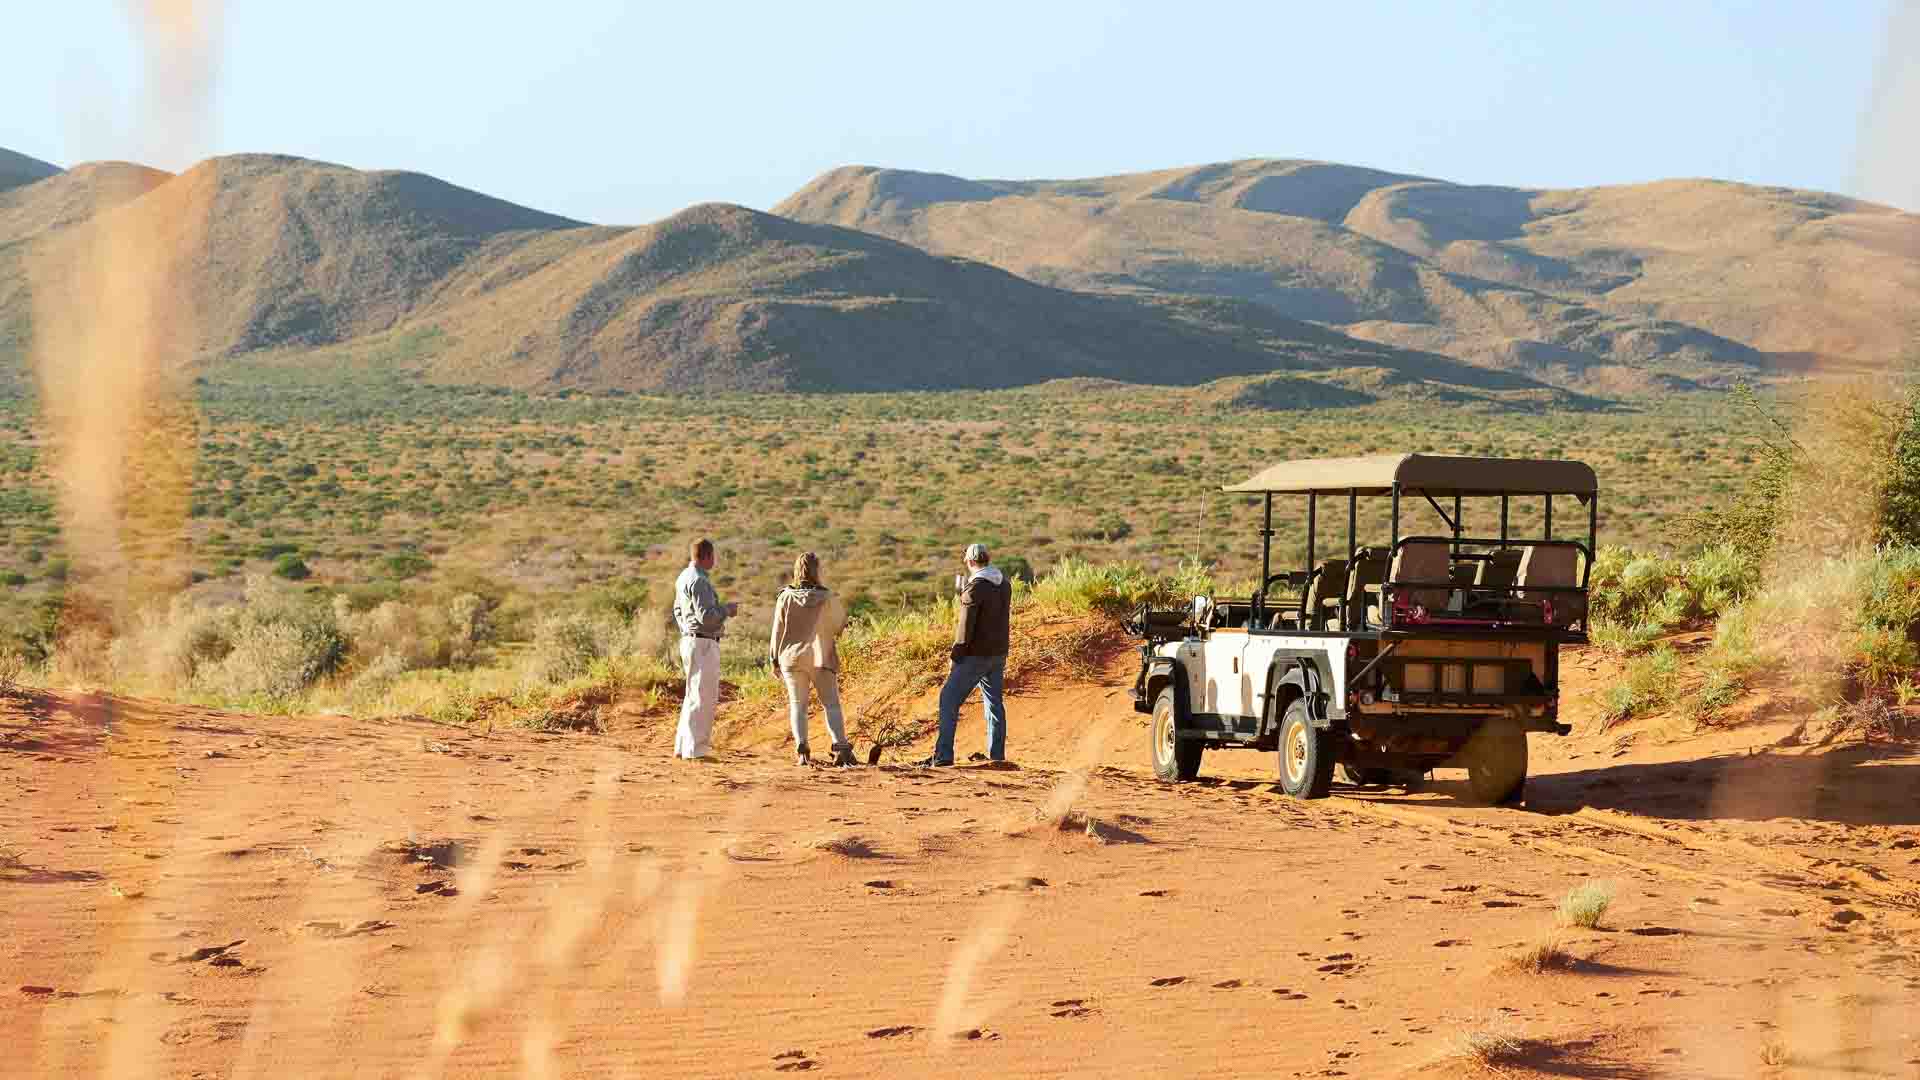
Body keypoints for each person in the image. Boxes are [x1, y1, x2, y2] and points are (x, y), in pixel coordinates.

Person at [920, 543, 1011, 767]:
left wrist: (956, 655)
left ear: (970, 562)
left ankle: (943, 755)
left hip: (975, 655)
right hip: (998, 653)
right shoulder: (1004, 584)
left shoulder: (975, 588)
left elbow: (965, 628)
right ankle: (996, 756)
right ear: (987, 560)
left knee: (948, 699)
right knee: (994, 704)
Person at [768, 551, 853, 767]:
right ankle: (841, 747)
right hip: (820, 655)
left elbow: (777, 631)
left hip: (792, 658)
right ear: (817, 570)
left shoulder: (785, 597)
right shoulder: (828, 597)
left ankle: (802, 750)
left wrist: (773, 660)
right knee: (831, 704)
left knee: (798, 705)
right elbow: (839, 625)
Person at [673, 538, 737, 760]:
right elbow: (708, 618)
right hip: (703, 642)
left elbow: (677, 611)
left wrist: (686, 629)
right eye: (713, 556)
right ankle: (697, 750)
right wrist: (726, 609)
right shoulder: (700, 581)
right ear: (707, 556)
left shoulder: (683, 577)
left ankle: (684, 746)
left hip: (690, 640)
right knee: (703, 696)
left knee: (693, 695)